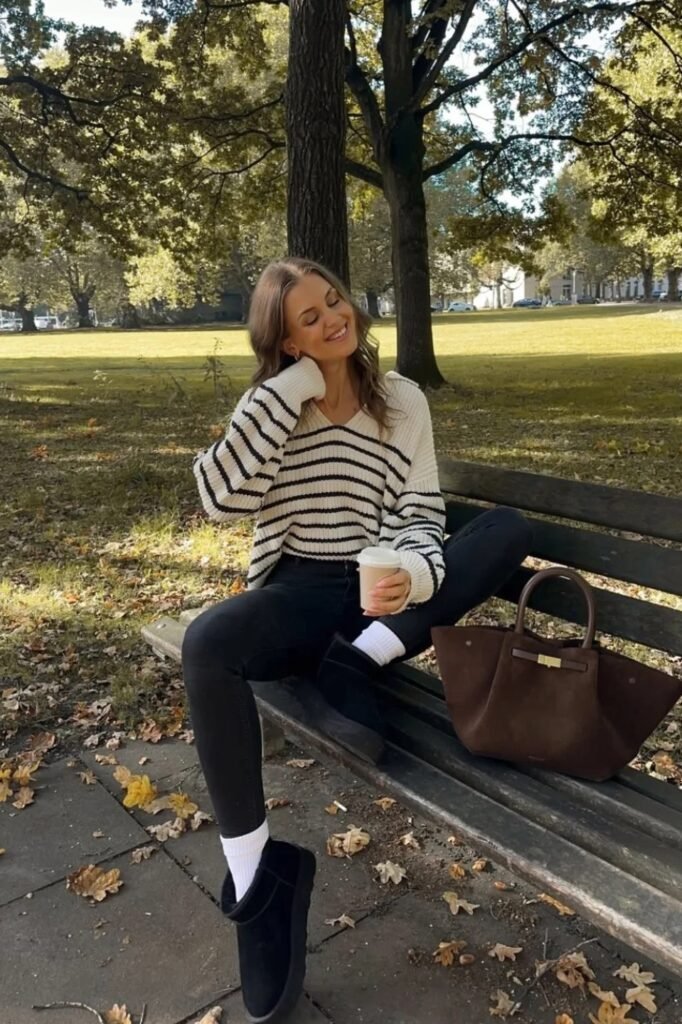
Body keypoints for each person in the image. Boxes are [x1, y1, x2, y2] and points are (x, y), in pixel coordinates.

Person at [183, 257, 532, 1023]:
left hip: (380, 595)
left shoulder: (402, 400)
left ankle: (358, 662)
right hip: (299, 591)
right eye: (308, 317)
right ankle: (256, 882)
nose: (334, 318)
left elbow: (419, 508)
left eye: (333, 301)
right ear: (284, 339)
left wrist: (409, 572)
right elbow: (218, 497)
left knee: (506, 530)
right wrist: (292, 388)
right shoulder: (276, 403)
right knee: (208, 643)